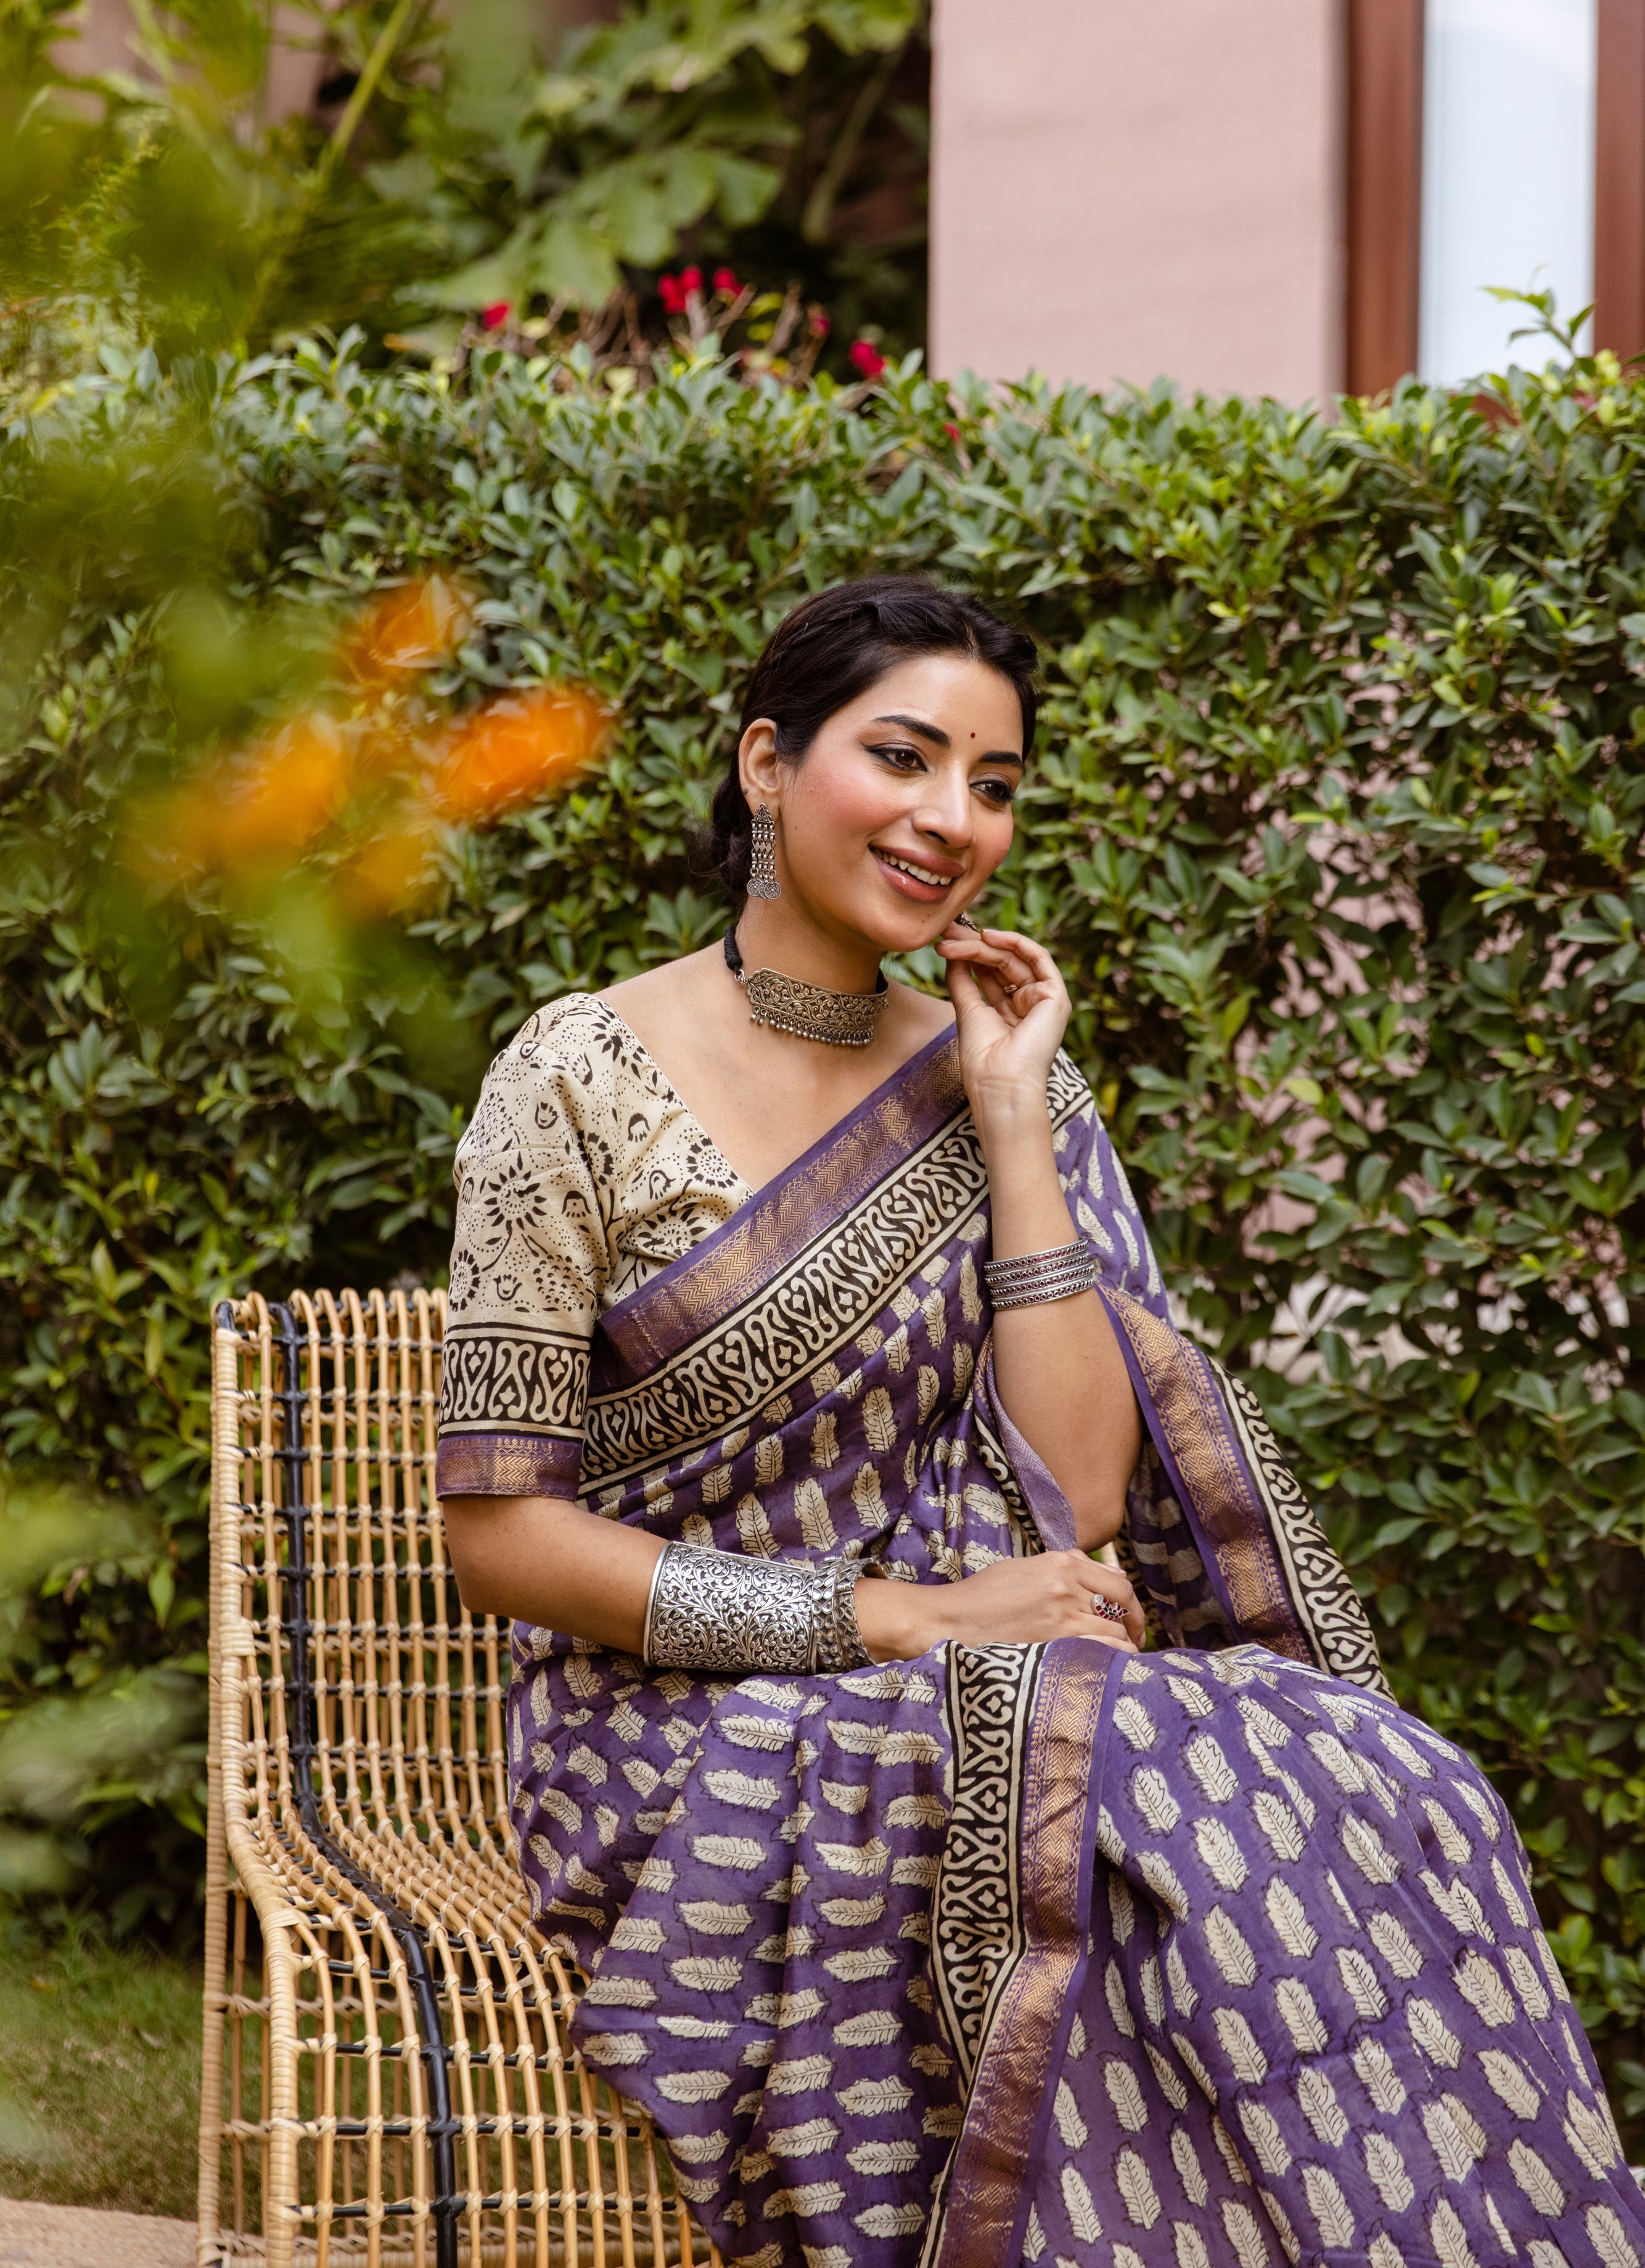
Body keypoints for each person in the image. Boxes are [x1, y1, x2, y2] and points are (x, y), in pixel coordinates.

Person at [437, 578, 1643, 2268]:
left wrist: (1010, 1120)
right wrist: (891, 1618)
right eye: (903, 758)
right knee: (1113, 1766)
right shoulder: (573, 1073)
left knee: (1378, 1770)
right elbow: (496, 1530)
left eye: (992, 785)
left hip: (992, 1660)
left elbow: (1073, 1496)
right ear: (768, 764)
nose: (950, 821)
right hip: (673, 1722)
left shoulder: (1003, 1073)